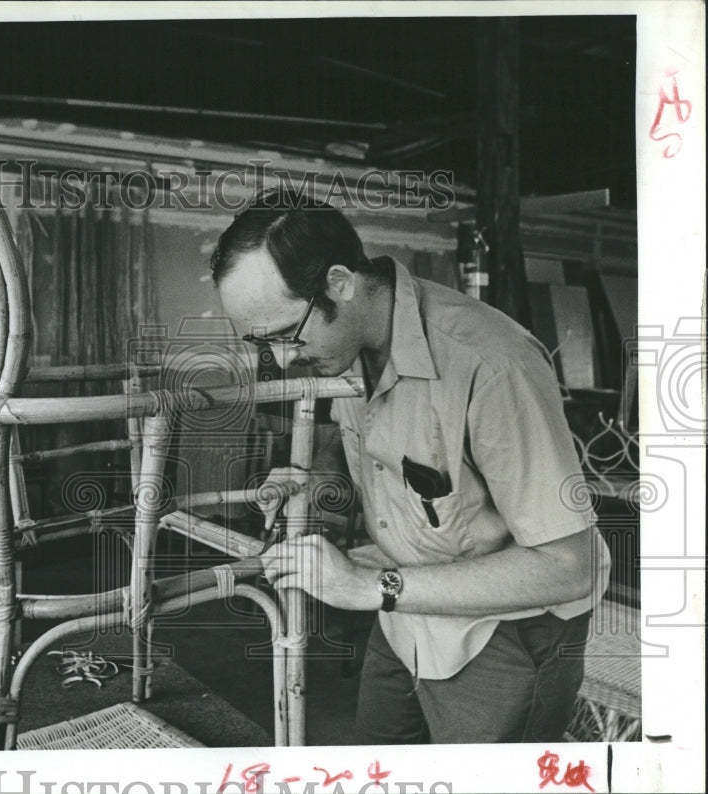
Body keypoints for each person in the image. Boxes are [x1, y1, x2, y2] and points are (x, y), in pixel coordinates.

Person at [208, 188, 611, 744]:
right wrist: (315, 482)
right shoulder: (344, 349)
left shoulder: (491, 364)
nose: (279, 361)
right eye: (260, 343)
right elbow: (367, 449)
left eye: (283, 336)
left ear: (340, 284)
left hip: (504, 631)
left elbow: (573, 565)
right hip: (403, 617)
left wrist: (373, 587)